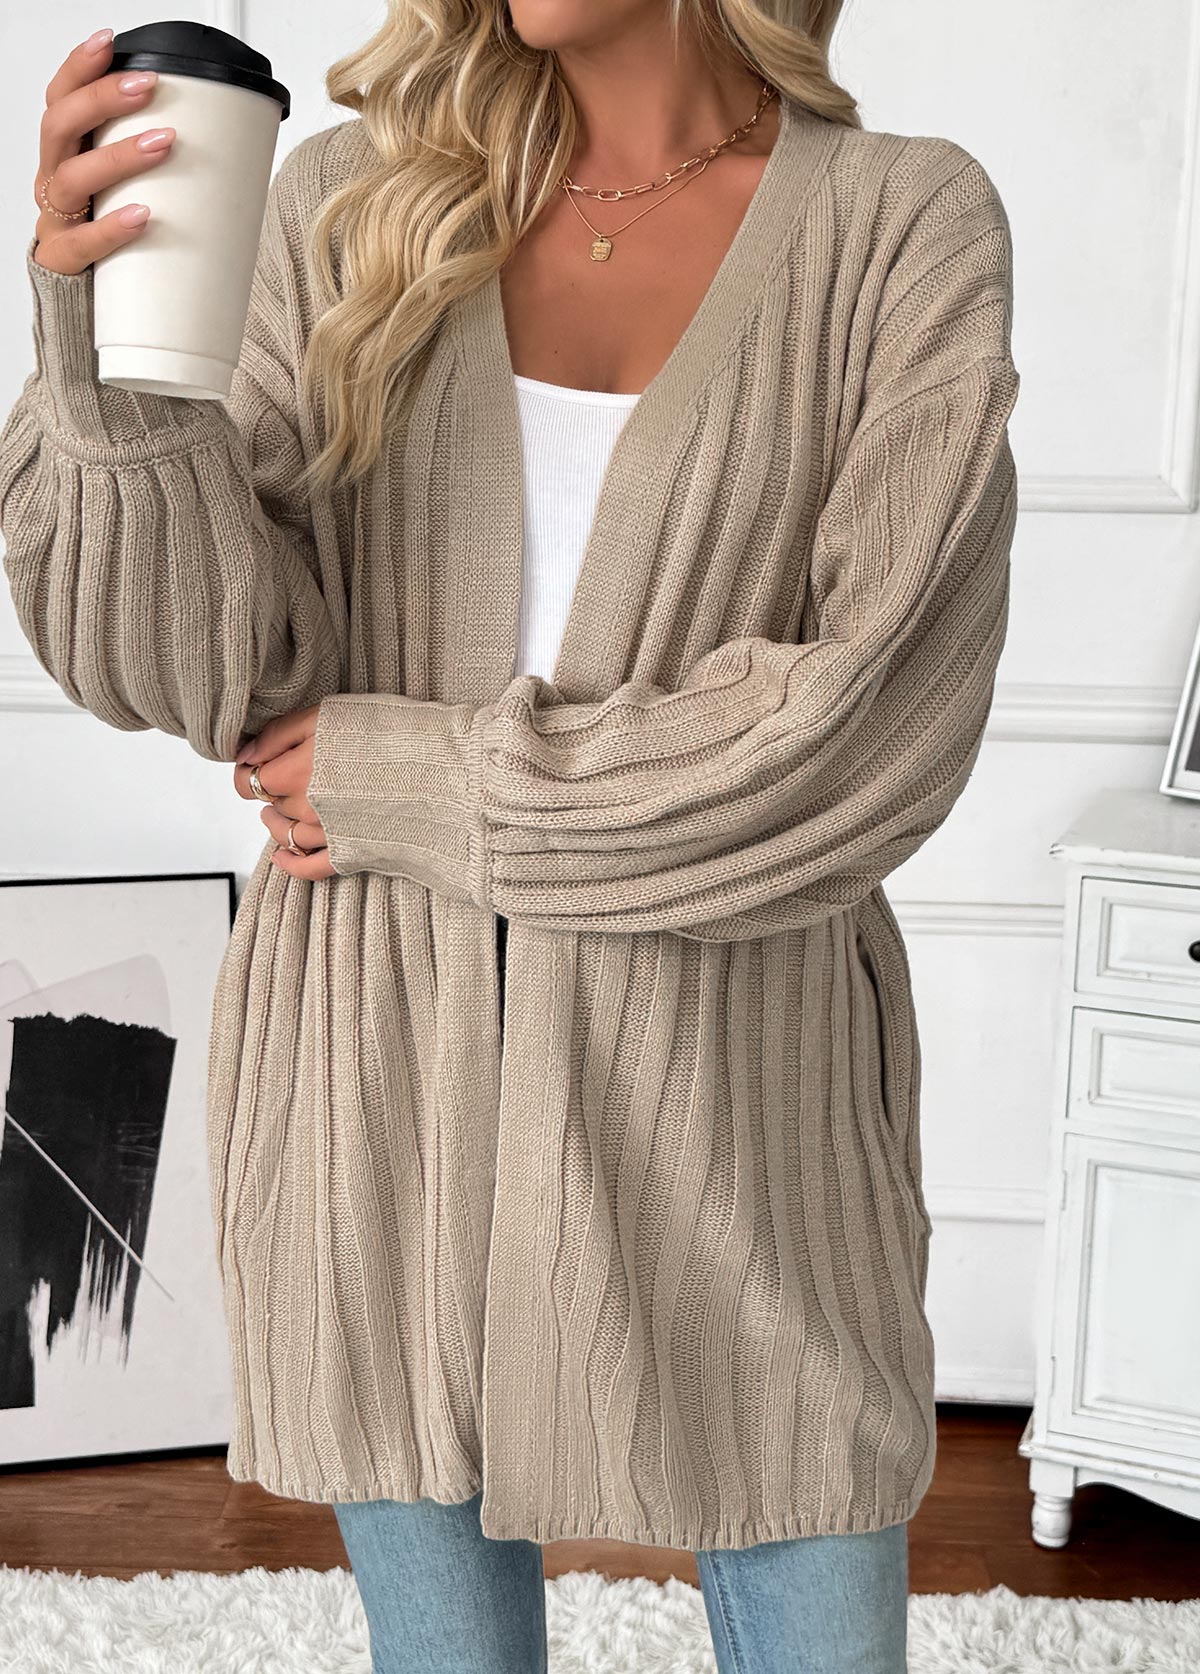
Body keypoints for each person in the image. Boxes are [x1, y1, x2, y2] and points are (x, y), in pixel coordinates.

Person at [0, 3, 1020, 1670]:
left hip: (737, 1092)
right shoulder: (350, 203)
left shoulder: (900, 221)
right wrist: (108, 357)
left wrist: (416, 782)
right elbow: (191, 669)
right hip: (371, 1076)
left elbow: (860, 734)